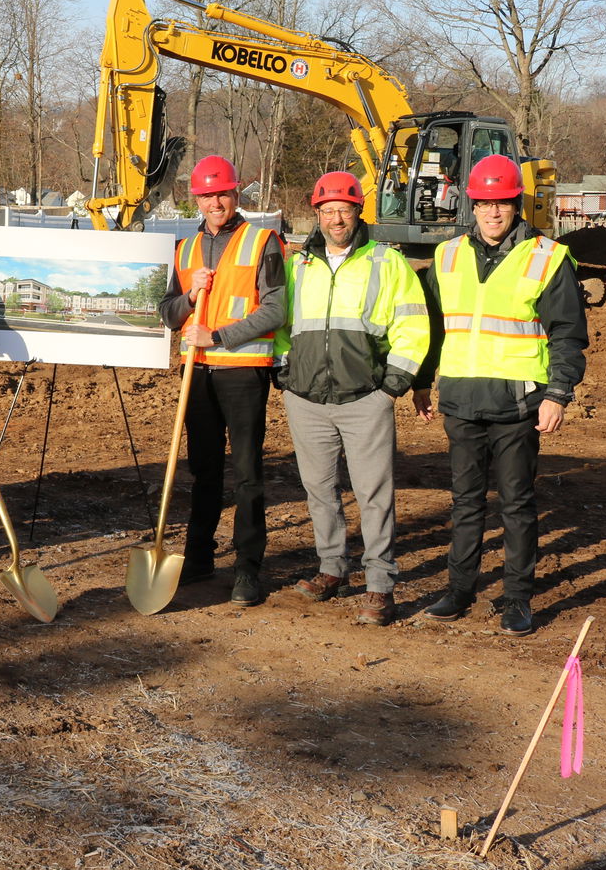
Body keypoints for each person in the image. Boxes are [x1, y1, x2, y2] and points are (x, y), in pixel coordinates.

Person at [414, 155, 587, 636]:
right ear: (472, 205)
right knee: (465, 502)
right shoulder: (447, 256)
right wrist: (422, 381)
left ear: (516, 205)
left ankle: (516, 598)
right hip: (461, 400)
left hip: (518, 404)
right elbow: (432, 327)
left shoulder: (546, 257)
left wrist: (557, 394)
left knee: (517, 504)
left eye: (503, 203)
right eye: (485, 203)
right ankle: (459, 590)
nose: (493, 212)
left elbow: (568, 334)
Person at [274, 171, 429, 626]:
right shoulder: (298, 265)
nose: (336, 219)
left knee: (373, 493)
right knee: (319, 489)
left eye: (344, 209)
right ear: (316, 213)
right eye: (328, 210)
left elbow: (413, 324)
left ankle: (379, 584)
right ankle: (332, 569)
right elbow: (282, 324)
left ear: (358, 211)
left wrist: (392, 385)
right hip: (307, 399)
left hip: (365, 399)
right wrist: (285, 371)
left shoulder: (386, 262)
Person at [155, 155, 285, 606]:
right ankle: (199, 556)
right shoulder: (184, 249)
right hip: (198, 373)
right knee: (204, 469)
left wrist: (218, 336)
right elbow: (168, 313)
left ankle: (248, 567)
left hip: (244, 371)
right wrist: (191, 295)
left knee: (247, 472)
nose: (215, 202)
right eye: (207, 196)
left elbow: (276, 309)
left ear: (235, 194)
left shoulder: (263, 241)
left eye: (222, 194)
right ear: (196, 200)